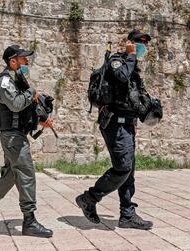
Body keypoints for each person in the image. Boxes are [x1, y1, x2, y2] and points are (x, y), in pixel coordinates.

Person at [0, 45, 53, 238]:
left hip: (17, 134)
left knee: (11, 176)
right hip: (12, 136)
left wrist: (40, 119)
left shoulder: (17, 80)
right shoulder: (5, 81)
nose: (26, 62)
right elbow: (15, 105)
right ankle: (29, 221)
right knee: (26, 173)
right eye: (23, 59)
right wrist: (32, 92)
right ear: (12, 61)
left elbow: (23, 108)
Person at [76, 30, 154, 230]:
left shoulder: (133, 66)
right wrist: (130, 55)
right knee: (123, 168)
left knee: (129, 172)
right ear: (129, 43)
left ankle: (127, 215)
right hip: (114, 124)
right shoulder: (117, 60)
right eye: (139, 42)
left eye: (145, 43)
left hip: (128, 124)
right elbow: (121, 76)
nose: (143, 46)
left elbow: (135, 97)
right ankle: (89, 198)